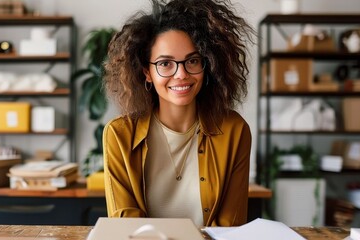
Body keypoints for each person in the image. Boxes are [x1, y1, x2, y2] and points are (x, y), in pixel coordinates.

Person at [102, 0, 253, 227]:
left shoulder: (234, 130)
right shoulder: (119, 135)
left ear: (207, 64)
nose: (181, 74)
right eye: (165, 64)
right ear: (147, 73)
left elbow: (230, 227)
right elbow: (126, 226)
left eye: (192, 61)